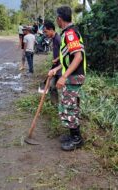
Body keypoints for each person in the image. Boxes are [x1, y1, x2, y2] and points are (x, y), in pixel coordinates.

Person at [48, 6, 87, 151]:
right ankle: (73, 135)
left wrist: (63, 77)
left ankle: (77, 139)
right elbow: (68, 59)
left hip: (74, 76)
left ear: (59, 19)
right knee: (70, 105)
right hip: (71, 75)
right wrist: (56, 69)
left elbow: (78, 57)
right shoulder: (67, 33)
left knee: (68, 106)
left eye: (56, 19)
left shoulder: (70, 34)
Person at [42, 20, 61, 105]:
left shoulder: (58, 39)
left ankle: (60, 105)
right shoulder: (53, 39)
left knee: (56, 86)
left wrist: (57, 59)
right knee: (51, 85)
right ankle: (54, 104)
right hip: (55, 67)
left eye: (46, 32)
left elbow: (66, 52)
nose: (45, 34)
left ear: (51, 29)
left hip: (61, 67)